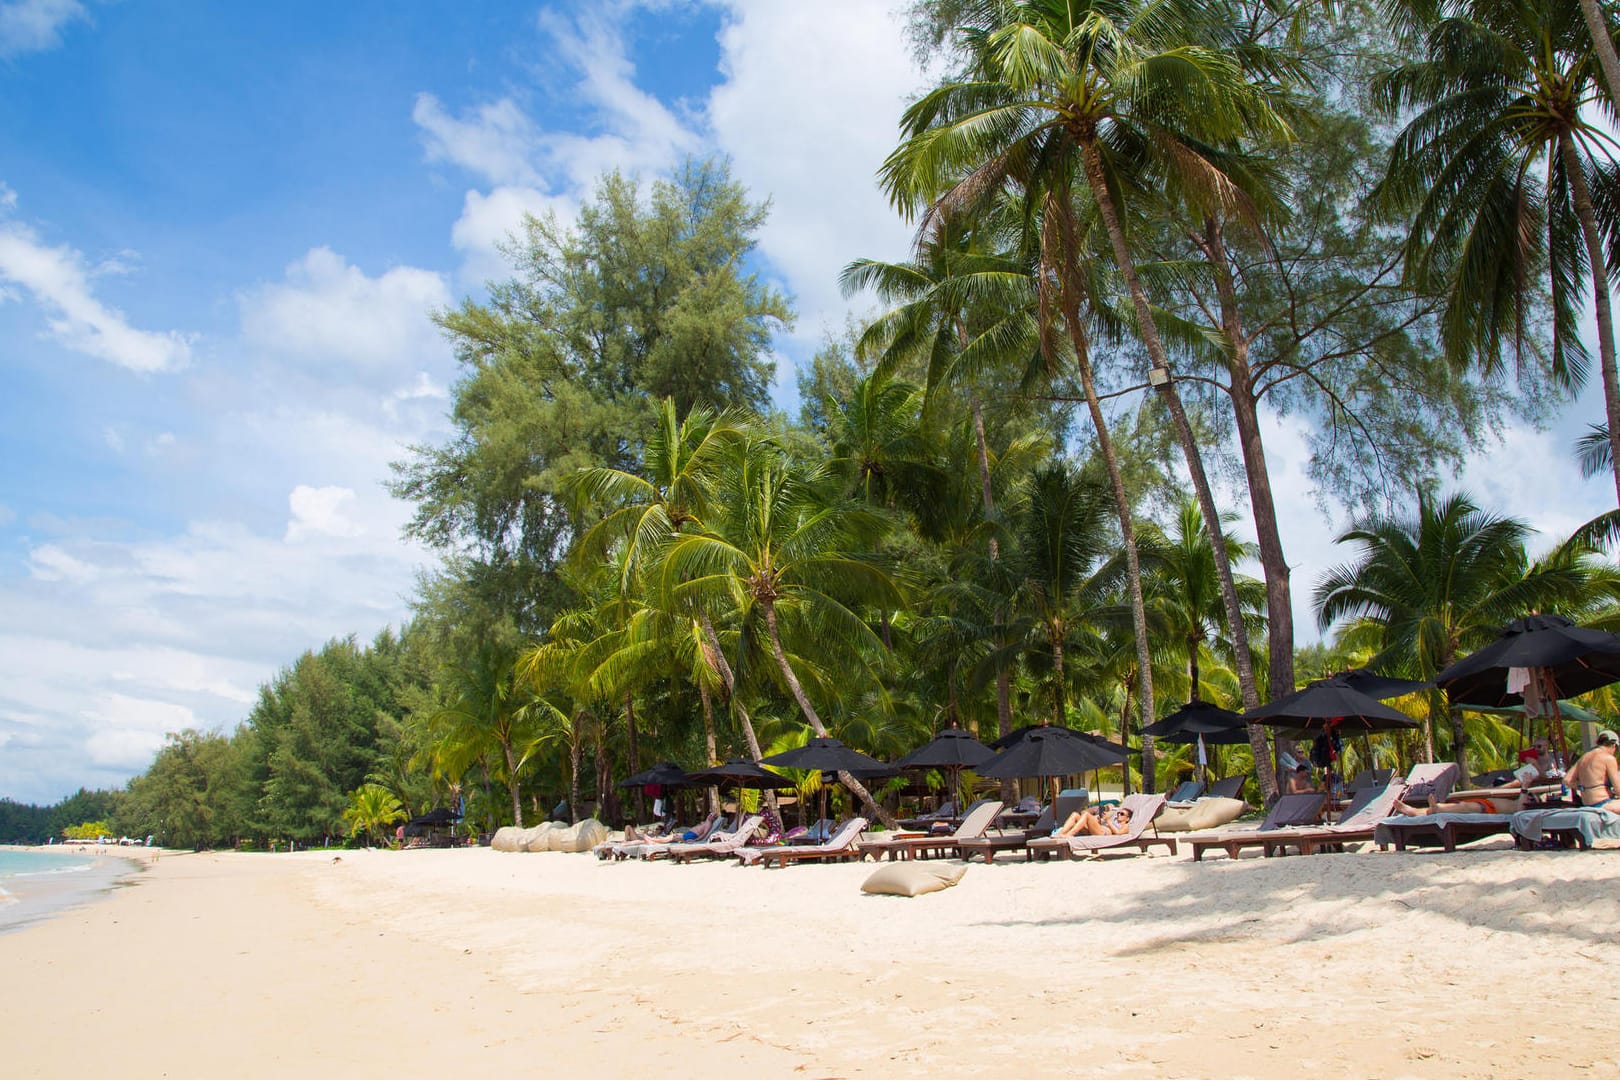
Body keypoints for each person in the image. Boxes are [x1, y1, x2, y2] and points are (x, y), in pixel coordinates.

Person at [1566, 729, 1620, 813]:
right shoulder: (1608, 758)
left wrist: (1583, 787)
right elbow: (1618, 789)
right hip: (1604, 803)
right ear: (1613, 745)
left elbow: (1566, 780)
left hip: (1587, 805)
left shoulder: (1584, 757)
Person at [1051, 805, 1133, 838]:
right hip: (1097, 830)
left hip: (1102, 834)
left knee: (1086, 814)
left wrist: (1108, 821)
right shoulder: (1114, 820)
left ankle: (1069, 834)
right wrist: (1098, 822)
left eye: (1122, 814)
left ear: (1127, 818)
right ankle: (1061, 833)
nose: (1118, 815)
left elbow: (1118, 833)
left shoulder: (1126, 826)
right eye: (1118, 813)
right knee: (1075, 814)